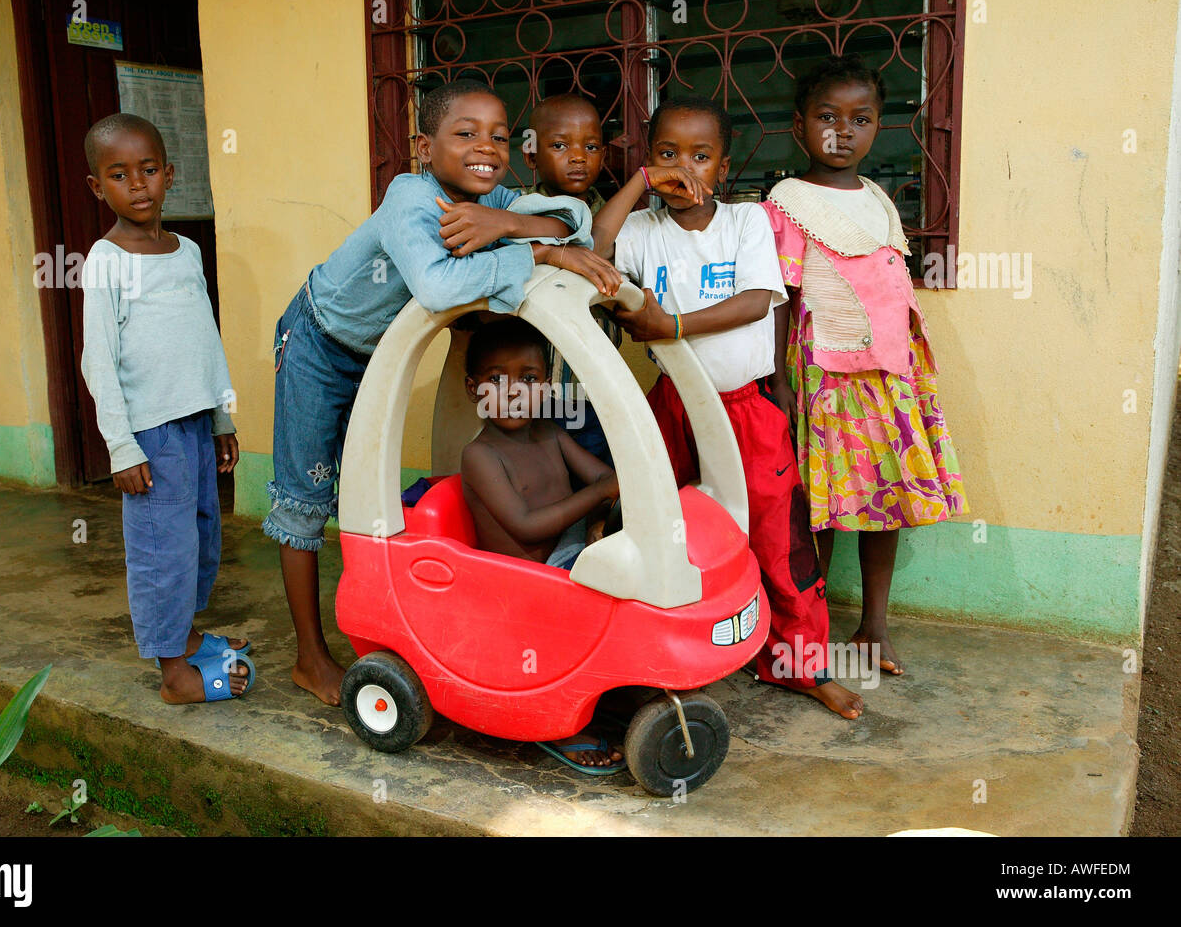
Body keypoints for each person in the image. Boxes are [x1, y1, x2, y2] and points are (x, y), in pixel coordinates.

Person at [267, 79, 623, 707]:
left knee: (363, 486)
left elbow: (578, 218)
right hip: (320, 343)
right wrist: (537, 250)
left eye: (499, 137)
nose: (485, 147)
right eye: (465, 134)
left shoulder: (493, 195)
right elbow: (436, 286)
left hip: (379, 354)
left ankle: (377, 617)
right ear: (424, 147)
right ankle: (309, 656)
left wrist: (507, 221)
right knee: (305, 497)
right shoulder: (411, 198)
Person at [593, 96, 864, 719]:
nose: (682, 169)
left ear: (724, 165)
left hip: (747, 409)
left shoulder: (744, 223)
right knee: (668, 527)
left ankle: (802, 664)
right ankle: (676, 652)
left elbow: (756, 300)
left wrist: (671, 324)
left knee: (778, 535)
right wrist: (638, 182)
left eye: (700, 155)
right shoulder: (642, 230)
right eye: (666, 155)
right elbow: (597, 245)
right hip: (674, 408)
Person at [762, 55, 968, 675]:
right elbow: (780, 297)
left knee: (889, 495)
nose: (842, 131)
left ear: (878, 127)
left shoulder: (877, 198)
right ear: (800, 127)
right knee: (819, 504)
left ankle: (874, 626)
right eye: (827, 117)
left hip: (889, 374)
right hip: (825, 377)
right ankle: (811, 628)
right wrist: (776, 380)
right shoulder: (789, 202)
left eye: (860, 118)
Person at [79, 113, 252, 704]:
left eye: (148, 170)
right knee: (162, 549)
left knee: (202, 536)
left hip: (195, 424)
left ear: (169, 174)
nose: (138, 185)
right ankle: (172, 670)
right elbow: (98, 361)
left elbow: (204, 337)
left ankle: (183, 633)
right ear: (98, 188)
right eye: (120, 175)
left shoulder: (187, 252)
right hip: (149, 435)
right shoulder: (105, 262)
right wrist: (120, 447)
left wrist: (220, 414)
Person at [459, 317, 624, 772]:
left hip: (567, 556)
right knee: (609, 591)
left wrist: (598, 515)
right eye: (496, 379)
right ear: (473, 389)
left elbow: (608, 479)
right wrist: (595, 497)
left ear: (546, 385)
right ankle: (557, 723)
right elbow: (527, 526)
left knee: (635, 548)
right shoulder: (480, 456)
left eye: (528, 378)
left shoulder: (551, 434)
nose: (513, 391)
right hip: (525, 585)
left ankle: (620, 685)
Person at [521, 93, 622, 467]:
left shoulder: (613, 218)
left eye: (591, 146)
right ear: (531, 155)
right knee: (539, 471)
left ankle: (595, 527)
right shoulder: (517, 215)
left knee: (600, 467)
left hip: (595, 385)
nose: (578, 156)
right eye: (560, 145)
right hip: (533, 389)